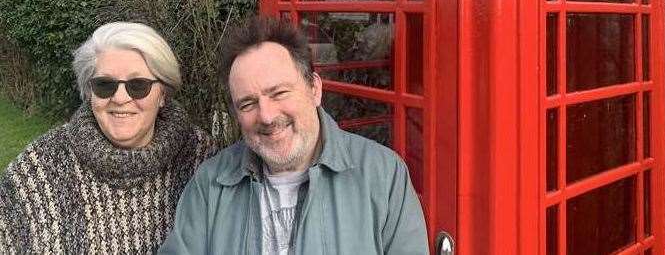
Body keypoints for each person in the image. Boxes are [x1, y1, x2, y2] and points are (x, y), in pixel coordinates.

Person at [161, 16, 428, 255]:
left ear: (314, 89)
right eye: (248, 103)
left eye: (279, 93)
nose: (266, 116)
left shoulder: (383, 175)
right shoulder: (210, 184)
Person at [0, 22, 217, 253]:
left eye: (138, 85)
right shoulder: (39, 169)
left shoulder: (204, 162)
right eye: (105, 85)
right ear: (89, 92)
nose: (120, 98)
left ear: (163, 94)